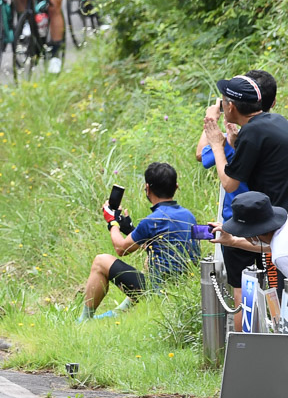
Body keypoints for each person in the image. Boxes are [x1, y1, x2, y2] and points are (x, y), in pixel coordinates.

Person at [198, 70, 275, 328]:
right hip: (274, 218)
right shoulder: (271, 128)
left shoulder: (248, 136)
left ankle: (246, 350)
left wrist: (218, 143)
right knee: (274, 285)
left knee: (243, 291)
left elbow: (228, 181)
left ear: (231, 106)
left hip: (244, 221)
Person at [79, 162, 199, 321]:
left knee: (101, 261)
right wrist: (129, 229)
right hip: (183, 289)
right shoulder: (189, 215)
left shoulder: (152, 220)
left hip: (158, 293)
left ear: (147, 188)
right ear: (176, 187)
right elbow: (160, 245)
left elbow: (121, 249)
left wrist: (112, 222)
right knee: (151, 257)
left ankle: (84, 320)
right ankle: (120, 311)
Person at [205, 73, 288, 212]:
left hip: (277, 217)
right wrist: (234, 144)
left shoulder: (251, 131)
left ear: (231, 106)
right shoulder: (277, 120)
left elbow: (229, 184)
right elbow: (263, 162)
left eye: (223, 103)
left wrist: (217, 145)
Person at [209, 191, 288, 291]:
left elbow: (278, 249)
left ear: (252, 234)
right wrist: (232, 241)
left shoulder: (281, 255)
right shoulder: (283, 229)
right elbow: (270, 247)